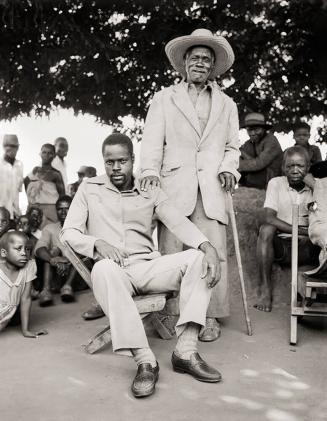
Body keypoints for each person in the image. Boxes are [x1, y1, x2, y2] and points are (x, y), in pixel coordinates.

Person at [61, 133, 222, 398]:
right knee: (102, 268)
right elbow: (68, 233)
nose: (115, 168)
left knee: (198, 258)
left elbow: (178, 221)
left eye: (122, 161)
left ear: (132, 160)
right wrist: (97, 243)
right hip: (114, 272)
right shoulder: (89, 188)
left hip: (148, 267)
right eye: (109, 161)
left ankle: (186, 349)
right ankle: (145, 361)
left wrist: (207, 247)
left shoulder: (150, 190)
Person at [140, 28, 240, 342]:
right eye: (194, 57)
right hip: (174, 188)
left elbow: (232, 148)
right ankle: (171, 313)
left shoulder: (227, 104)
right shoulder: (164, 98)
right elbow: (152, 143)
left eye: (206, 59)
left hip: (211, 189)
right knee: (172, 252)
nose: (200, 63)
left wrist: (228, 169)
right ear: (184, 63)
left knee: (214, 254)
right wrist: (149, 173)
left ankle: (209, 316)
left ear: (213, 67)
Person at [255, 146, 319, 312]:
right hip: (283, 247)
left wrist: (315, 187)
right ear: (283, 168)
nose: (295, 170)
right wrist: (301, 230)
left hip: (309, 247)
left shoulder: (318, 187)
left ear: (308, 167)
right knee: (266, 229)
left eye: (300, 166)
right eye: (290, 166)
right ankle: (265, 289)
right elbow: (269, 217)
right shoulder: (276, 183)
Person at [0, 231, 47, 337]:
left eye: (27, 249)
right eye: (18, 248)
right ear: (4, 253)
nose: (24, 253)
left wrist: (25, 330)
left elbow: (26, 299)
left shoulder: (28, 267)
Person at [35, 195, 78, 306]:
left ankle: (68, 287)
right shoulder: (50, 228)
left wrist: (66, 259)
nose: (63, 212)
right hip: (56, 275)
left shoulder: (82, 227)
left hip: (76, 275)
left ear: (73, 209)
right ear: (56, 211)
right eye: (59, 209)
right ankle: (46, 290)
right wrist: (53, 259)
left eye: (67, 208)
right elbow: (39, 249)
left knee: (79, 255)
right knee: (51, 252)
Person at [238, 112, 283, 190]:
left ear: (263, 128)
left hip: (273, 179)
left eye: (256, 129)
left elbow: (258, 164)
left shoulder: (271, 140)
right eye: (249, 130)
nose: (252, 133)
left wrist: (237, 165)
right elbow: (238, 155)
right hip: (258, 179)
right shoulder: (249, 143)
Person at [25, 144, 65, 227]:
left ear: (54, 155)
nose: (46, 155)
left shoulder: (56, 174)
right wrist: (31, 201)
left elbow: (62, 196)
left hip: (50, 210)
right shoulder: (36, 170)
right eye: (44, 152)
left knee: (49, 232)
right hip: (34, 208)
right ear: (40, 154)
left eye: (50, 153)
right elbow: (26, 181)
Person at [0, 134, 24, 221]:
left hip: (14, 214)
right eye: (6, 145)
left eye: (12, 146)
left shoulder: (20, 165)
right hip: (1, 214)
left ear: (17, 147)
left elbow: (18, 191)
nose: (8, 148)